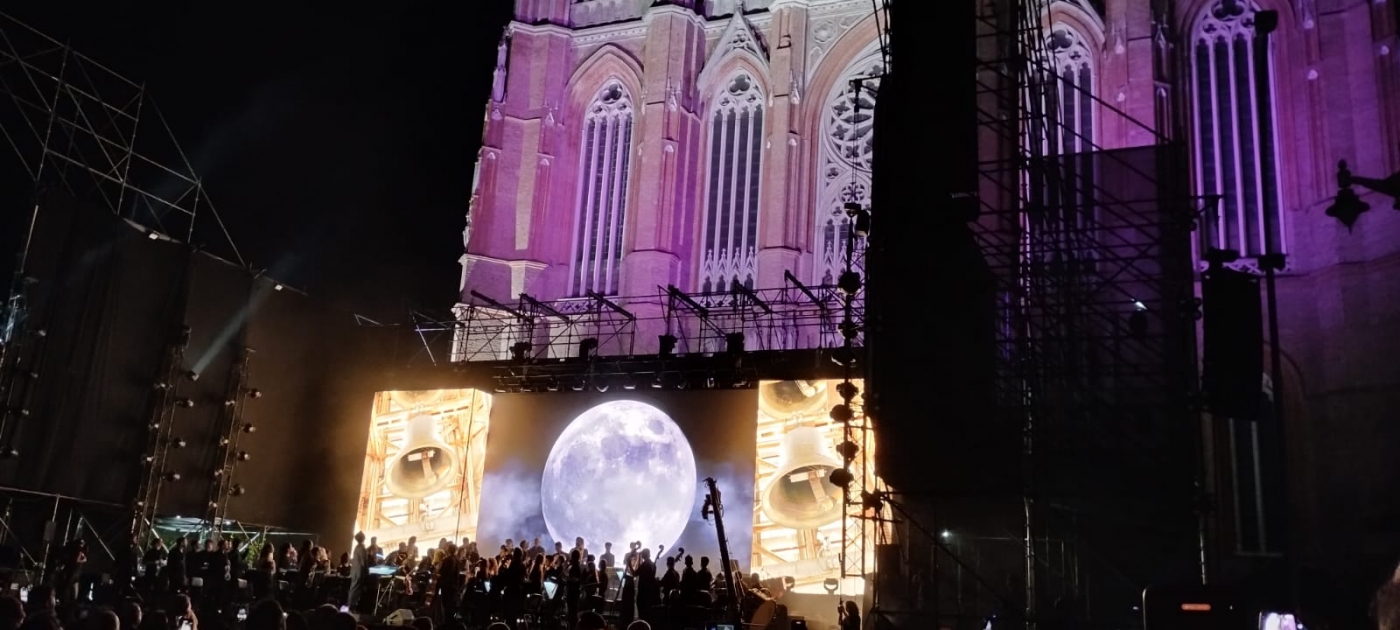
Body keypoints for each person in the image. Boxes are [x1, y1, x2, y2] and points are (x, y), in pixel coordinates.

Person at [349, 532, 369, 611]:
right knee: (355, 590)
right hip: (359, 572)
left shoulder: (356, 548)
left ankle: (350, 605)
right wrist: (367, 571)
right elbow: (364, 562)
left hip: (354, 572)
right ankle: (352, 606)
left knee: (353, 589)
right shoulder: (362, 548)